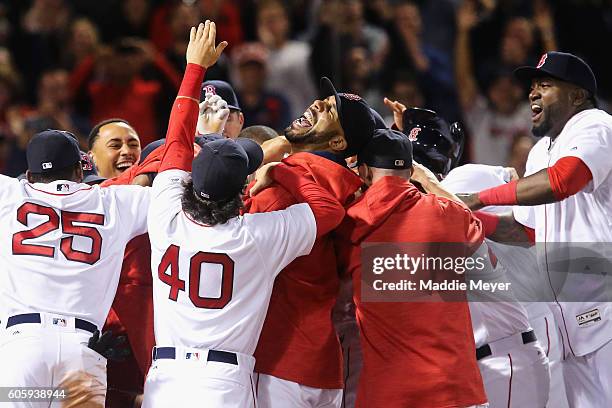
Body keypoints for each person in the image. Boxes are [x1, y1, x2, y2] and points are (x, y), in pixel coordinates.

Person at [142, 21, 345, 408]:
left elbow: (177, 143)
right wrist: (280, 168)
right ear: (242, 188)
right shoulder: (255, 235)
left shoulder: (164, 212)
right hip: (223, 382)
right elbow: (327, 211)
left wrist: (192, 69)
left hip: (164, 380)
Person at [460, 51, 612, 408]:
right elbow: (528, 231)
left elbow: (563, 181)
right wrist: (466, 219)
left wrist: (479, 199)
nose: (532, 93)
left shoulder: (596, 124)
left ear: (577, 95)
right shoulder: (542, 149)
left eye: (545, 85)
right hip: (574, 322)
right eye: (531, 86)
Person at [245, 77, 377, 408]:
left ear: (337, 143)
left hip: (278, 362)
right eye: (324, 100)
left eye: (330, 110)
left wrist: (270, 165)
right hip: (327, 366)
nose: (317, 104)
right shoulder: (356, 192)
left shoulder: (280, 188)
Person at [334, 128, 488, 408]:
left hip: (388, 393)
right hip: (453, 388)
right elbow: (474, 226)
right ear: (410, 170)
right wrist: (429, 181)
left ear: (365, 171)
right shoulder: (446, 214)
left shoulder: (349, 225)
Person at [0, 129, 150, 407]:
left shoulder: (8, 194)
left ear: (30, 176)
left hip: (22, 348)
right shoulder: (116, 201)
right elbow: (175, 186)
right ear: (80, 172)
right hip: (82, 351)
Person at [442, 164, 569, 408]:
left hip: (527, 323)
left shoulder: (465, 176)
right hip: (504, 332)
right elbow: (510, 173)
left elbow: (510, 175)